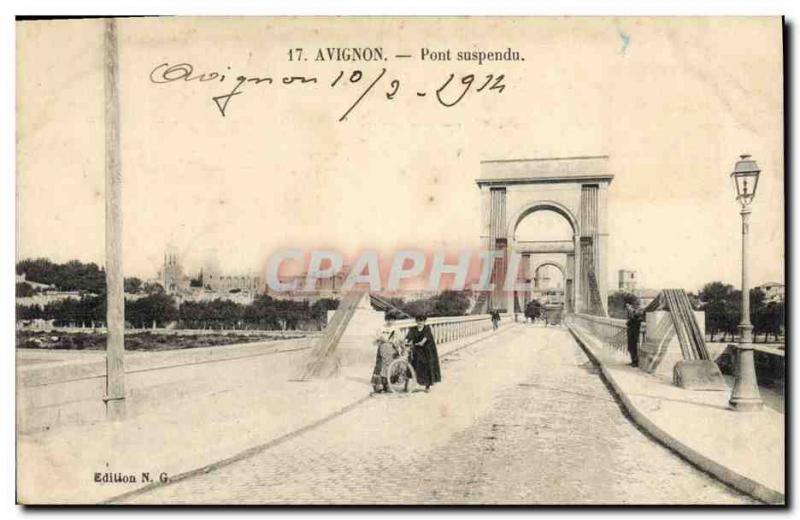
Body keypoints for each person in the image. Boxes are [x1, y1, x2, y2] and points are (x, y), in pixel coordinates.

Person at [405, 315, 441, 392]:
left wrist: (419, 343)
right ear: (416, 321)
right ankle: (406, 385)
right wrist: (406, 342)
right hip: (417, 349)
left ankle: (427, 386)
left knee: (427, 366)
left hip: (427, 350)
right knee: (410, 363)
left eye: (422, 321)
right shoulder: (413, 329)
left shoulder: (427, 329)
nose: (420, 322)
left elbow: (424, 340)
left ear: (424, 321)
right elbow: (408, 337)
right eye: (418, 320)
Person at [371, 328, 398, 393]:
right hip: (382, 349)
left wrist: (394, 342)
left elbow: (397, 340)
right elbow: (375, 341)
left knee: (389, 367)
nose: (390, 321)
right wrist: (380, 339)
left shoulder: (395, 329)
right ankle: (379, 386)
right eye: (388, 319)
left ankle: (387, 385)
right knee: (380, 367)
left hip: (390, 350)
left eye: (392, 319)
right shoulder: (382, 328)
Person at [625, 302, 644, 367]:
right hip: (631, 333)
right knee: (630, 347)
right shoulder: (633, 314)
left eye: (628, 307)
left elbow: (634, 320)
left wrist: (631, 311)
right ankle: (633, 361)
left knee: (634, 348)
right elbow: (629, 322)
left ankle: (635, 362)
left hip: (634, 334)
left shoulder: (638, 313)